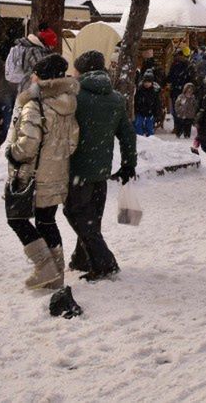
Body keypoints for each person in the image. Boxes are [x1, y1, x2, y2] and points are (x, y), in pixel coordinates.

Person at [6, 54, 80, 290]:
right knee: (47, 220)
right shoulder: (69, 103)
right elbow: (72, 143)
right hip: (57, 173)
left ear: (41, 78)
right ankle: (56, 273)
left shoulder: (34, 105)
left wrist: (12, 153)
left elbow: (28, 144)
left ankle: (44, 265)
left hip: (34, 175)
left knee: (16, 218)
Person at [65, 51, 136, 281]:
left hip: (77, 167)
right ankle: (82, 257)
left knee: (75, 212)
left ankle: (104, 262)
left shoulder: (74, 96)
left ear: (82, 71)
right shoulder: (115, 98)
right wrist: (128, 163)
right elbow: (127, 135)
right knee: (91, 216)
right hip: (101, 168)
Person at [3, 28, 52, 96]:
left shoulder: (23, 46)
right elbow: (41, 71)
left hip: (22, 87)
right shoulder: (35, 51)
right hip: (32, 89)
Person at [133, 71, 161, 137]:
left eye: (148, 82)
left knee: (149, 127)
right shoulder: (140, 90)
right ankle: (139, 137)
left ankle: (150, 139)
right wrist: (136, 110)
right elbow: (136, 100)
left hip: (150, 112)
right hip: (140, 111)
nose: (147, 84)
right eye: (145, 82)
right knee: (138, 124)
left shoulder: (154, 91)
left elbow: (157, 103)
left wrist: (156, 113)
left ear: (151, 83)